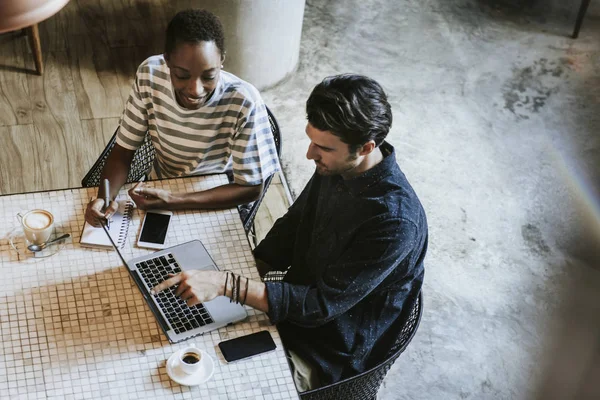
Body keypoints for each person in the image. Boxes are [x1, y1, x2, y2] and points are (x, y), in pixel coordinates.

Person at [152, 74, 428, 391]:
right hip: (291, 309)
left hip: (324, 350)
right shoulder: (339, 165)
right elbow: (294, 224)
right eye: (311, 140)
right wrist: (237, 273)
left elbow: (320, 307)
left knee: (214, 386)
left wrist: (229, 284)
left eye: (323, 147)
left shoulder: (394, 222)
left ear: (365, 147)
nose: (310, 154)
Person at [85, 9, 279, 227]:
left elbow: (251, 187)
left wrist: (174, 201)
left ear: (222, 60)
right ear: (167, 60)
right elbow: (123, 153)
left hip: (215, 198)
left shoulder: (245, 102)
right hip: (160, 191)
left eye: (209, 76)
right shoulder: (149, 75)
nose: (195, 89)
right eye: (182, 75)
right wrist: (104, 197)